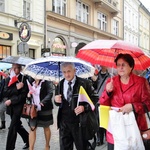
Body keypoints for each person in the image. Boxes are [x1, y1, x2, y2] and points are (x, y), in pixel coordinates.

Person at [99, 53, 150, 150]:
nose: (120, 67)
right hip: (116, 128)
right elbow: (102, 103)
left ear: (131, 66)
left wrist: (133, 106)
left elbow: (148, 104)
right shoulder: (111, 81)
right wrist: (108, 92)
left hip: (136, 128)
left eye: (124, 65)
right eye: (118, 65)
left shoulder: (141, 82)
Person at [54, 62, 96, 150]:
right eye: (64, 72)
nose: (67, 74)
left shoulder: (85, 83)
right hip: (64, 124)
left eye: (69, 71)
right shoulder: (60, 84)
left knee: (82, 147)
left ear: (74, 71)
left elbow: (95, 99)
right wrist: (56, 100)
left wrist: (84, 107)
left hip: (79, 123)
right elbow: (58, 103)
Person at [3, 64, 29, 150]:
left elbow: (23, 95)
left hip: (19, 107)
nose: (14, 69)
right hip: (10, 107)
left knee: (13, 127)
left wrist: (12, 100)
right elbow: (6, 92)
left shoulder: (24, 79)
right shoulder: (8, 79)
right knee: (17, 125)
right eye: (12, 68)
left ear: (20, 69)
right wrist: (16, 89)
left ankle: (9, 147)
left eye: (16, 68)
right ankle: (28, 139)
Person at [27, 78, 54, 150]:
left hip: (44, 107)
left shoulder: (47, 81)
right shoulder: (30, 81)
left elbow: (50, 93)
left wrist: (43, 101)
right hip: (33, 108)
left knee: (46, 127)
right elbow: (27, 92)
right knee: (32, 127)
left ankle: (47, 145)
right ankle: (31, 148)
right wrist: (28, 94)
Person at [90, 66, 111, 146]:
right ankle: (99, 138)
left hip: (106, 101)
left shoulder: (110, 77)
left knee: (106, 120)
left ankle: (107, 137)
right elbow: (93, 88)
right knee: (98, 121)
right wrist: (93, 80)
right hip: (98, 101)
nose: (102, 66)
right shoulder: (96, 76)